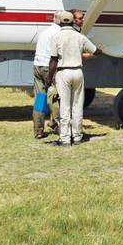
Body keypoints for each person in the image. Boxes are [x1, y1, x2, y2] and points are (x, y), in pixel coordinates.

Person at [46, 11, 99, 146]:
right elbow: (95, 51)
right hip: (77, 72)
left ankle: (64, 138)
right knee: (77, 106)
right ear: (72, 21)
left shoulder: (56, 37)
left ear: (61, 22)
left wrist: (49, 78)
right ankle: (77, 137)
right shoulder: (79, 37)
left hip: (63, 73)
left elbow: (53, 60)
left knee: (65, 107)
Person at [30, 14, 62, 139]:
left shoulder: (45, 32)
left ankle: (38, 130)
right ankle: (58, 126)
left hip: (37, 65)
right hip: (49, 68)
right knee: (55, 97)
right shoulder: (59, 33)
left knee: (40, 99)